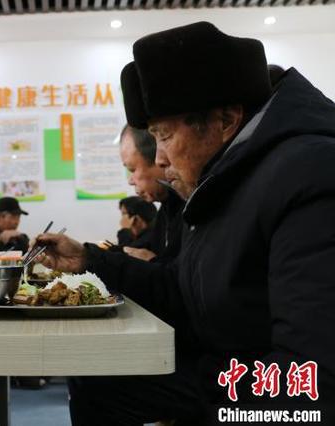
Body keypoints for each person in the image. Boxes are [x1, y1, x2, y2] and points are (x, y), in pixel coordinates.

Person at [37, 21, 335, 425]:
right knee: (96, 373)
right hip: (227, 370)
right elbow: (185, 293)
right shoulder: (225, 177)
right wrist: (89, 260)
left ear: (226, 120)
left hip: (276, 389)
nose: (158, 160)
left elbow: (313, 383)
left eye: (164, 136)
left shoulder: (310, 174)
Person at [119, 124, 184, 263]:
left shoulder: (189, 211)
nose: (131, 181)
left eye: (132, 169)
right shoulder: (165, 211)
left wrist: (153, 262)